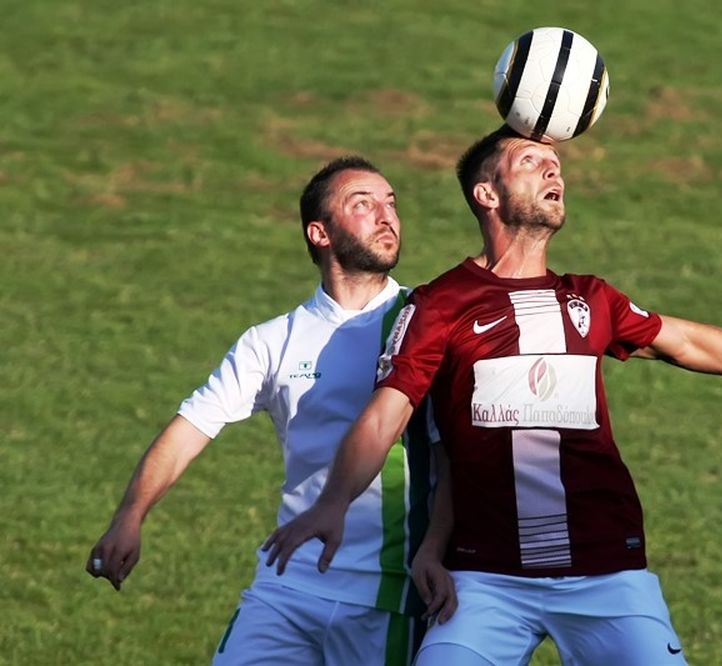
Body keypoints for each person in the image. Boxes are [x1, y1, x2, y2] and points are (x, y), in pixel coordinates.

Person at [261, 126, 722, 665]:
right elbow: (390, 416)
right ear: (487, 194)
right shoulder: (436, 305)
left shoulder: (589, 299)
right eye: (531, 161)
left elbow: (685, 342)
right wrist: (335, 504)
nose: (553, 170)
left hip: (608, 573)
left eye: (557, 163)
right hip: (483, 582)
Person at [86, 155, 455, 666]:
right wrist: (130, 516)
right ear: (319, 233)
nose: (386, 215)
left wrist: (437, 548)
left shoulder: (425, 322)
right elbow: (189, 429)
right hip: (287, 583)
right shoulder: (271, 341)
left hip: (385, 595)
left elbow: (454, 454)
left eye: (391, 202)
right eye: (363, 203)